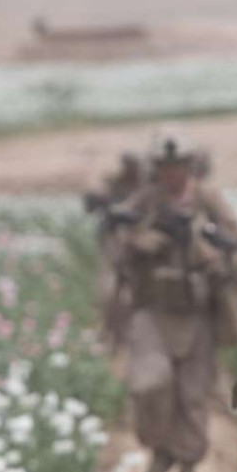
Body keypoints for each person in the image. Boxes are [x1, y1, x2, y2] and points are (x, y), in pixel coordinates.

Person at [116, 129, 237, 472]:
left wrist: (208, 252)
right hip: (153, 311)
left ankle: (182, 468)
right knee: (149, 384)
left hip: (197, 312)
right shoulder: (145, 201)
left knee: (192, 395)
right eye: (164, 166)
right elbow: (116, 239)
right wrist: (137, 243)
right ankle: (159, 454)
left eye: (178, 166)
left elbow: (236, 246)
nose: (171, 174)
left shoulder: (208, 202)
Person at [84, 151, 145, 352]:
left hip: (139, 248)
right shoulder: (113, 184)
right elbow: (91, 202)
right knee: (110, 292)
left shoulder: (148, 188)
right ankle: (113, 334)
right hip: (114, 246)